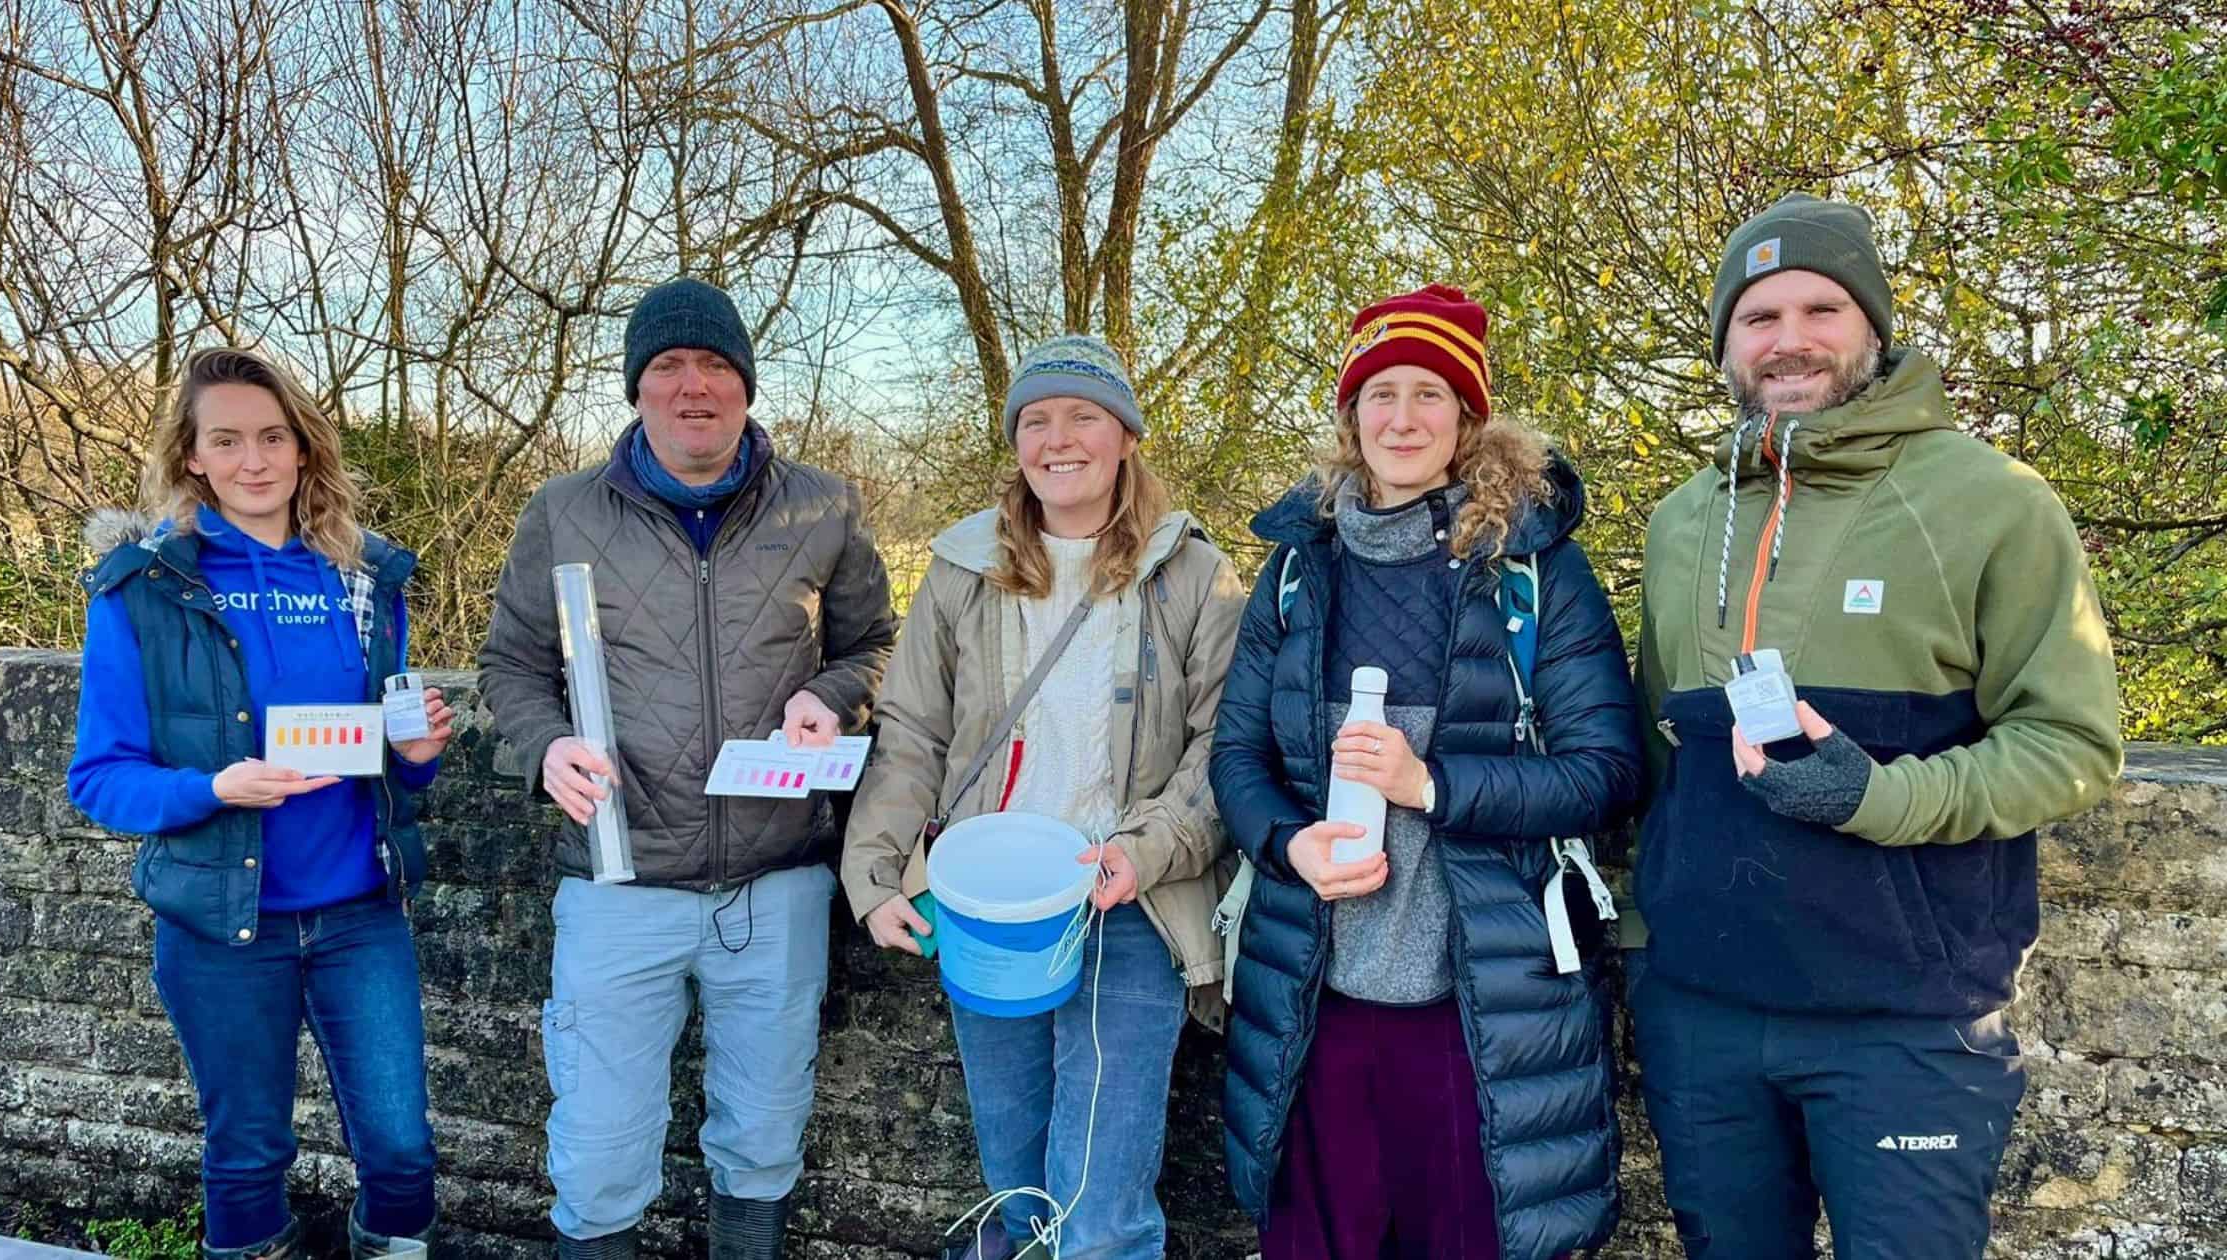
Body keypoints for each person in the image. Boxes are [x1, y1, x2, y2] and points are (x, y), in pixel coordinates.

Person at [1626, 192, 2125, 1259]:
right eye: (1757, 317)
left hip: (1905, 1020)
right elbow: (1657, 756)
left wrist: (1879, 797)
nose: (1789, 340)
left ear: (1872, 328)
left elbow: (2072, 742)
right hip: (1702, 1013)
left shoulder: (1992, 502)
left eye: (1820, 309)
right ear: (1724, 343)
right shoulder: (1680, 522)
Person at [1209, 284, 1643, 1259]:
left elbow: (1604, 771)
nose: (1401, 417)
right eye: (1379, 393)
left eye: (1429, 394)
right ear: (1348, 416)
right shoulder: (1294, 569)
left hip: (1480, 1011)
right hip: (1310, 1002)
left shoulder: (1533, 569)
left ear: (1467, 419)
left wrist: (1431, 786)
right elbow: (1235, 754)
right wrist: (1286, 843)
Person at [476, 278, 899, 1260]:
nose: (693, 386)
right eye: (668, 366)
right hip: (619, 880)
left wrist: (830, 699)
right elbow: (510, 666)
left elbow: (874, 644)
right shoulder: (563, 512)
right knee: (599, 1146)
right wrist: (545, 745)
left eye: (714, 365)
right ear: (637, 387)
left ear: (746, 385)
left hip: (778, 879)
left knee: (761, 1137)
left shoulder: (823, 508)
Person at [841, 335, 1244, 1260]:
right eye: (1037, 419)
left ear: (1126, 437)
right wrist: (873, 878)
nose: (1059, 438)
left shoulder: (1193, 574)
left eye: (1084, 415)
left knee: (1099, 1213)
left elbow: (1226, 746)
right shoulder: (960, 570)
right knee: (1018, 1186)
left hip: (1129, 904)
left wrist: (1145, 849)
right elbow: (910, 736)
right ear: (1016, 441)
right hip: (989, 909)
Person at [68, 346, 454, 1260]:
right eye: (227, 440)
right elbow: (99, 775)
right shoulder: (145, 590)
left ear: (303, 448)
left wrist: (417, 756)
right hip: (221, 926)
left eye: (273, 437)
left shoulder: (366, 583)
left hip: (360, 913)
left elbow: (386, 755)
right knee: (247, 1155)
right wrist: (213, 787)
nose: (254, 460)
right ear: (192, 456)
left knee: (402, 1154)